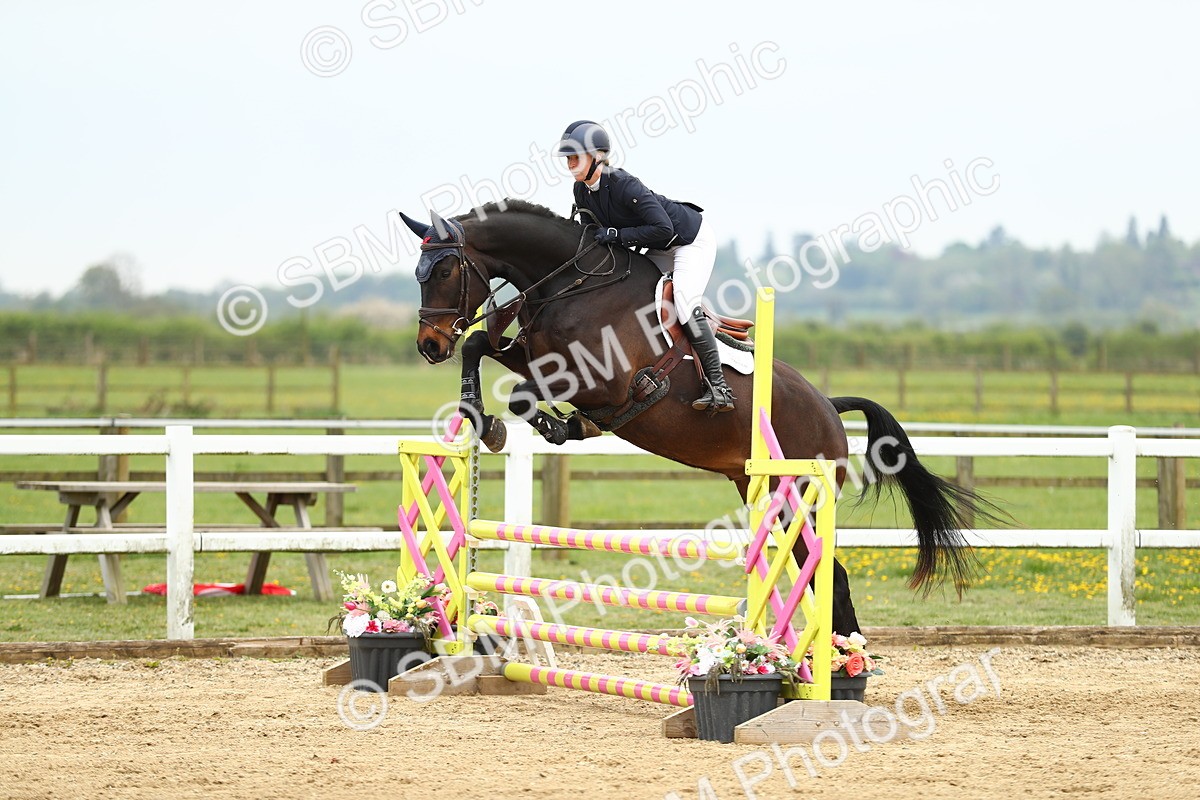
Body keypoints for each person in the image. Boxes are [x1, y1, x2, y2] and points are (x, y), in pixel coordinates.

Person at [554, 120, 734, 413]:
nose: (570, 163)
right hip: (661, 245)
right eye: (568, 157)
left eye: (576, 156)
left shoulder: (624, 184)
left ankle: (719, 386)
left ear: (597, 156)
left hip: (689, 240)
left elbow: (662, 228)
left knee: (685, 305)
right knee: (631, 290)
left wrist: (618, 235)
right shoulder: (582, 190)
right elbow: (592, 236)